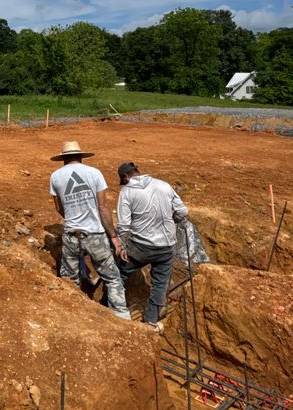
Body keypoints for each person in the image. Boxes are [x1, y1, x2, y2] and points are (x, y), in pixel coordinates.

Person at [49, 140, 131, 321]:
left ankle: (73, 318)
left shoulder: (55, 176)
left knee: (69, 279)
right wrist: (114, 236)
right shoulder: (94, 174)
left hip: (71, 235)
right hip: (95, 235)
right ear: (80, 156)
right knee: (112, 278)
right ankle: (123, 318)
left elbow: (59, 208)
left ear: (63, 158)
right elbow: (103, 207)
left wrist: (72, 217)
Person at [115, 162, 189, 330]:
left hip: (140, 247)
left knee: (119, 274)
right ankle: (151, 321)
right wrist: (173, 221)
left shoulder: (127, 192)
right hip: (167, 246)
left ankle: (110, 308)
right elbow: (183, 212)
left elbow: (124, 225)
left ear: (125, 177)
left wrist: (122, 245)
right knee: (160, 284)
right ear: (137, 172)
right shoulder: (164, 185)